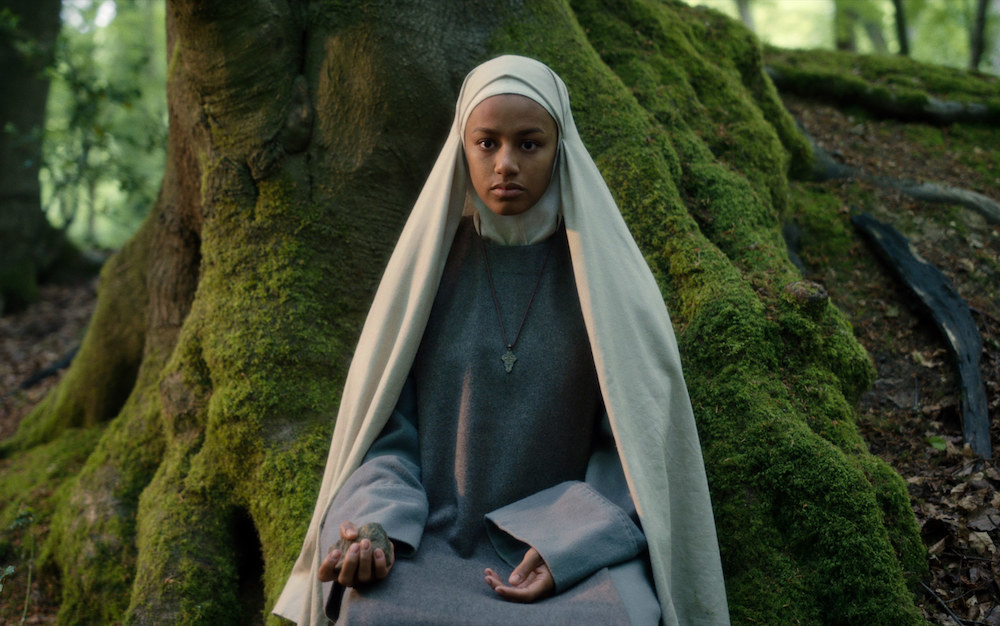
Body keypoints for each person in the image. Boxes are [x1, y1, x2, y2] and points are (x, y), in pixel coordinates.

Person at [274, 55, 729, 626]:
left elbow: (636, 449)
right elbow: (386, 433)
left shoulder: (608, 286)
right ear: (462, 149)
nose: (506, 164)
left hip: (570, 554)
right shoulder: (426, 278)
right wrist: (378, 526)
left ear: (560, 149)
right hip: (431, 543)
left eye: (529, 144)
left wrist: (568, 542)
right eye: (486, 143)